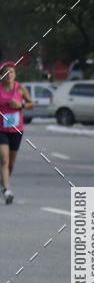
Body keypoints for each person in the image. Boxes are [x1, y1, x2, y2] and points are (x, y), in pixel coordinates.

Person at [0, 61, 34, 204]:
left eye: (11, 72)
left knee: (11, 163)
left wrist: (21, 105)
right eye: (5, 72)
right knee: (4, 159)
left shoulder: (20, 88)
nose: (9, 74)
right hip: (1, 129)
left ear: (15, 75)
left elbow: (31, 104)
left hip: (16, 130)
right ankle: (7, 190)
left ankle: (4, 181)